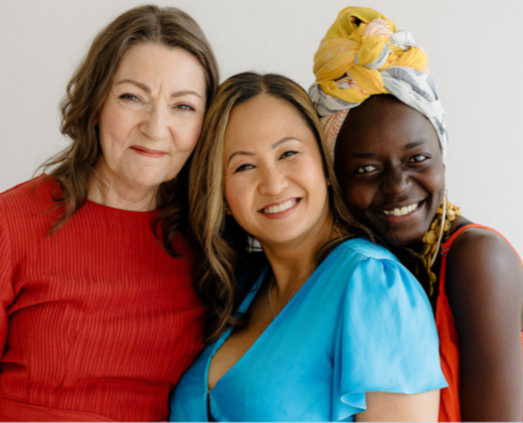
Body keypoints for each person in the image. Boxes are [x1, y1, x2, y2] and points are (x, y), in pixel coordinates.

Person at [169, 72, 447, 422]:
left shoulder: (374, 284)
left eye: (288, 153)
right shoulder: (242, 286)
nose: (272, 184)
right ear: (220, 194)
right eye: (244, 166)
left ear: (325, 166)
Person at [0, 5, 219, 421]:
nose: (156, 127)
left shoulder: (210, 244)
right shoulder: (11, 223)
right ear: (97, 101)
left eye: (183, 106)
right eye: (132, 97)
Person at [309, 6, 523, 421]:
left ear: (442, 155)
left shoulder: (477, 258)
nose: (397, 186)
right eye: (366, 169)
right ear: (334, 177)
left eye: (417, 158)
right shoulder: (357, 266)